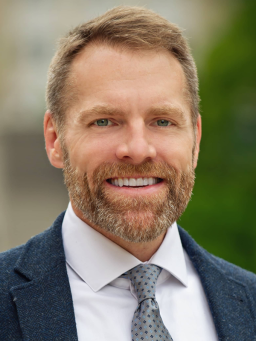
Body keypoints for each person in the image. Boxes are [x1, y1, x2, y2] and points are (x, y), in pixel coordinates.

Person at [0, 6, 256, 341]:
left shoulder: (249, 303)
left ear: (195, 140)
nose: (138, 149)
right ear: (54, 140)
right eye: (104, 121)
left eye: (162, 121)